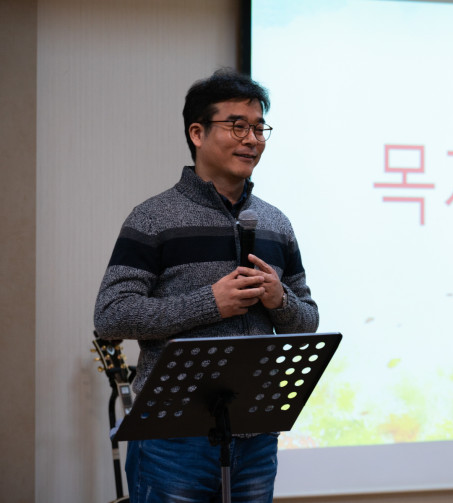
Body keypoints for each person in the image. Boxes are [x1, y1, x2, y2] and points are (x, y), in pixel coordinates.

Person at [94, 68, 319, 502]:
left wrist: (280, 300)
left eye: (259, 128)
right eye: (237, 126)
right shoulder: (154, 218)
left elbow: (307, 321)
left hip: (256, 435)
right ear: (197, 133)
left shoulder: (276, 223)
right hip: (173, 439)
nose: (251, 139)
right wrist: (210, 303)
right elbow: (111, 316)